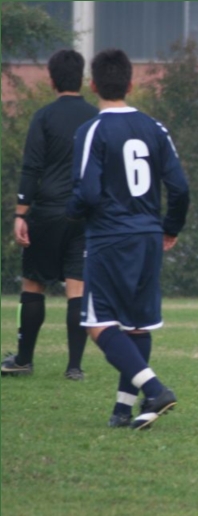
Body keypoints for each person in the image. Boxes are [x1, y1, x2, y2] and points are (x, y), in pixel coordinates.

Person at [66, 49, 190, 429]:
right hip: (149, 236)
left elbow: (87, 193)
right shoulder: (155, 128)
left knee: (97, 324)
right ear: (131, 84)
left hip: (110, 237)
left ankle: (155, 389)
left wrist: (69, 213)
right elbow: (180, 187)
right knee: (137, 325)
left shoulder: (92, 130)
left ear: (92, 85)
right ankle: (124, 410)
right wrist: (170, 227)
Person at [2, 50, 98, 380]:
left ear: (52, 79)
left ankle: (23, 360)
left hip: (46, 212)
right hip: (83, 215)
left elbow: (31, 168)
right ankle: (74, 367)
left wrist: (21, 213)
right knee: (77, 289)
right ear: (82, 79)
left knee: (33, 284)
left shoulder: (44, 117)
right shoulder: (95, 118)